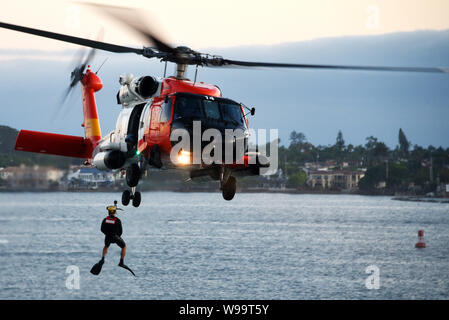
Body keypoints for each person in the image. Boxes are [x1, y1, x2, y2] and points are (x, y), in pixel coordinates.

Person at [90, 202, 135, 276]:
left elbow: (102, 229)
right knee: (124, 246)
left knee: (106, 246)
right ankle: (121, 262)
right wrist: (117, 237)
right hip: (115, 236)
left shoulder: (105, 220)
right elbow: (120, 231)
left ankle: (103, 258)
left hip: (107, 236)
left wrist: (107, 234)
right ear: (115, 212)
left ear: (108, 212)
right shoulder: (117, 220)